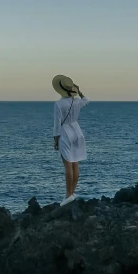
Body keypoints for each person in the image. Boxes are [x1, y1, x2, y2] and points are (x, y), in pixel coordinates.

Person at [52, 75, 89, 206]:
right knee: (75, 163)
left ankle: (68, 195)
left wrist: (56, 140)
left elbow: (57, 124)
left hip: (66, 133)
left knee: (68, 165)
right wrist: (79, 91)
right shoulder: (77, 101)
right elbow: (86, 100)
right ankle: (72, 193)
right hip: (77, 131)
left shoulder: (58, 104)